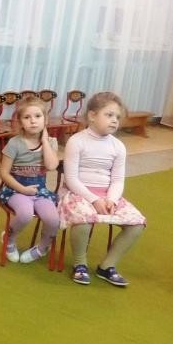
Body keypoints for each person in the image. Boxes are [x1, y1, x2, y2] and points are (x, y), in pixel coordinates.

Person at [57, 91, 147, 286]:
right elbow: (71, 179)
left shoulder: (118, 146)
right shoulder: (76, 141)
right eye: (109, 115)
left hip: (107, 196)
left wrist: (111, 200)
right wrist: (94, 200)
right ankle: (80, 264)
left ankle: (107, 266)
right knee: (83, 219)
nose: (114, 120)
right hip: (77, 193)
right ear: (92, 116)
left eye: (117, 117)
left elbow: (117, 180)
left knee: (137, 224)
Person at [0, 96, 60, 264]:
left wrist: (45, 141)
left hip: (40, 191)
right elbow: (4, 173)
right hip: (15, 190)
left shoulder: (51, 142)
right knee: (25, 214)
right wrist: (23, 190)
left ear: (45, 119)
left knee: (53, 219)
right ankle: (9, 239)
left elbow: (51, 165)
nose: (33, 121)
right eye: (27, 117)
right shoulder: (14, 143)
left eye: (38, 116)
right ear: (20, 122)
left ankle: (42, 248)